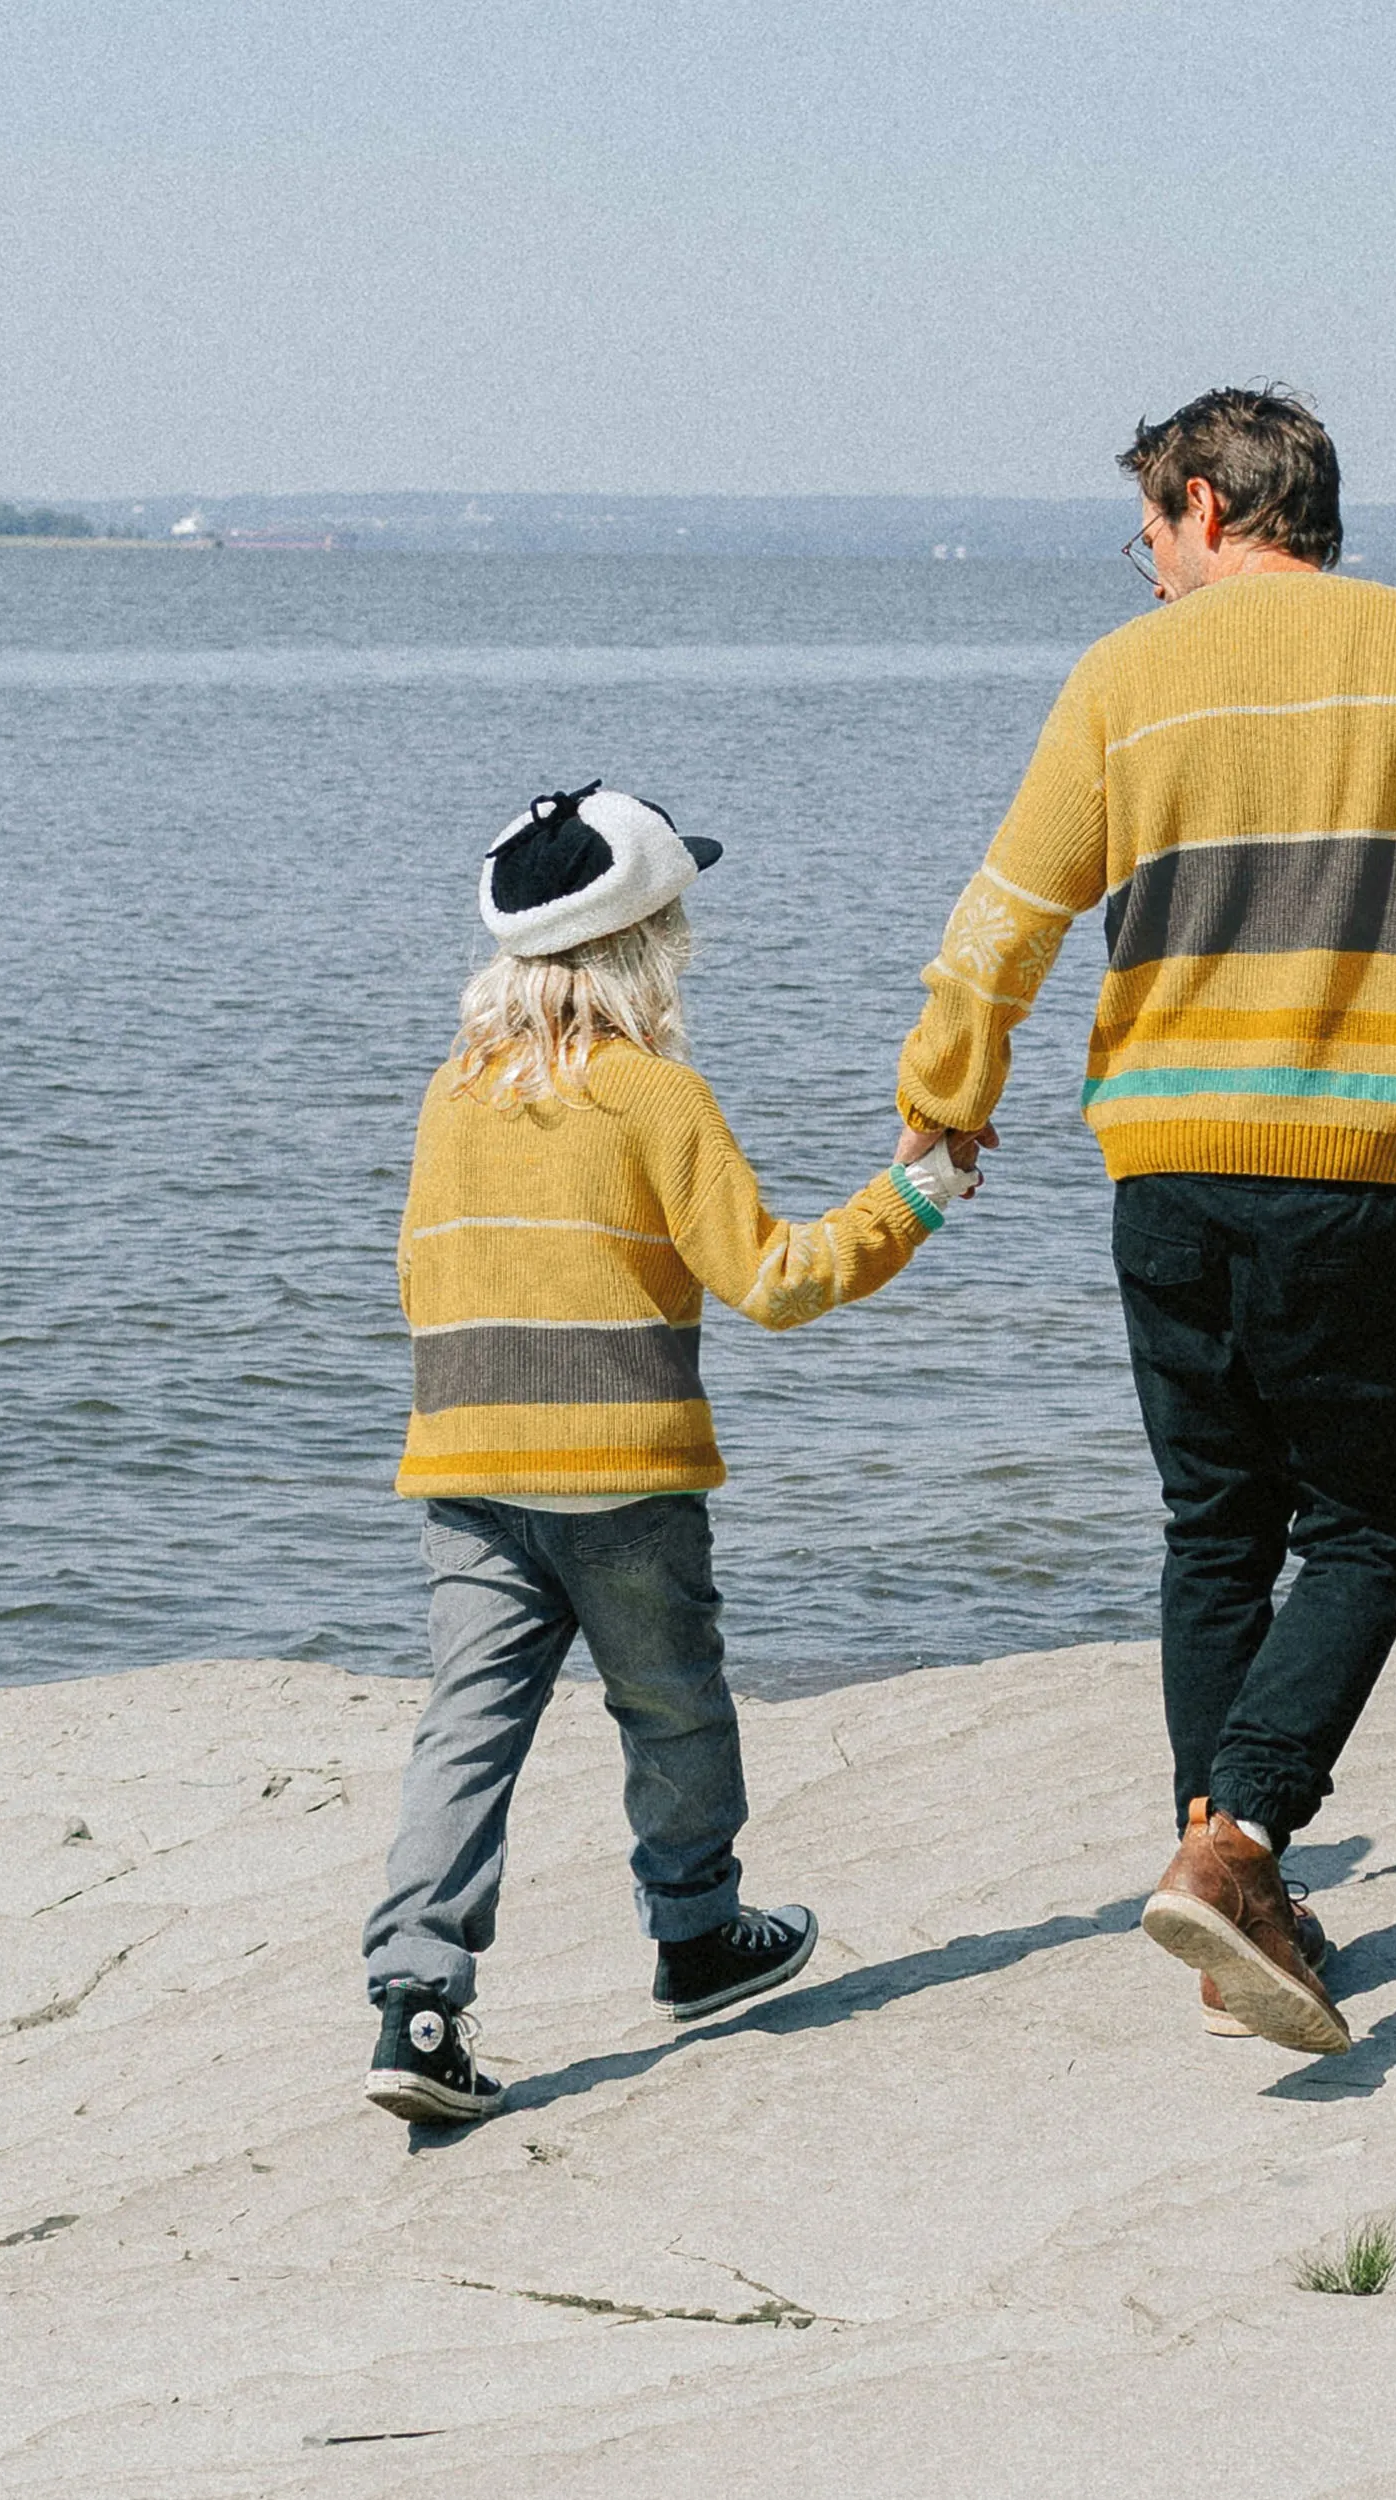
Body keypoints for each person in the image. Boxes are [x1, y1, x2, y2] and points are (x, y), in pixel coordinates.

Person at [893, 388, 1396, 2055]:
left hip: (1168, 1173)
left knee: (1216, 1528)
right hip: (1361, 1172)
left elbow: (1007, 914)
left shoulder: (1122, 684)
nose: (1144, 572)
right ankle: (1243, 1844)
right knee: (1361, 1527)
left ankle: (1223, 1905)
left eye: (1148, 535)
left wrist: (946, 1088)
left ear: (1207, 507)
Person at [363, 783, 976, 2125]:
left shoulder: (450, 1093)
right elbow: (775, 1280)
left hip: (464, 1467)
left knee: (467, 1729)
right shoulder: (654, 1096)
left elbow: (422, 1274)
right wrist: (919, 1193)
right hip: (625, 1472)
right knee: (675, 1706)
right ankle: (697, 1939)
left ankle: (418, 2002)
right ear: (647, 943)